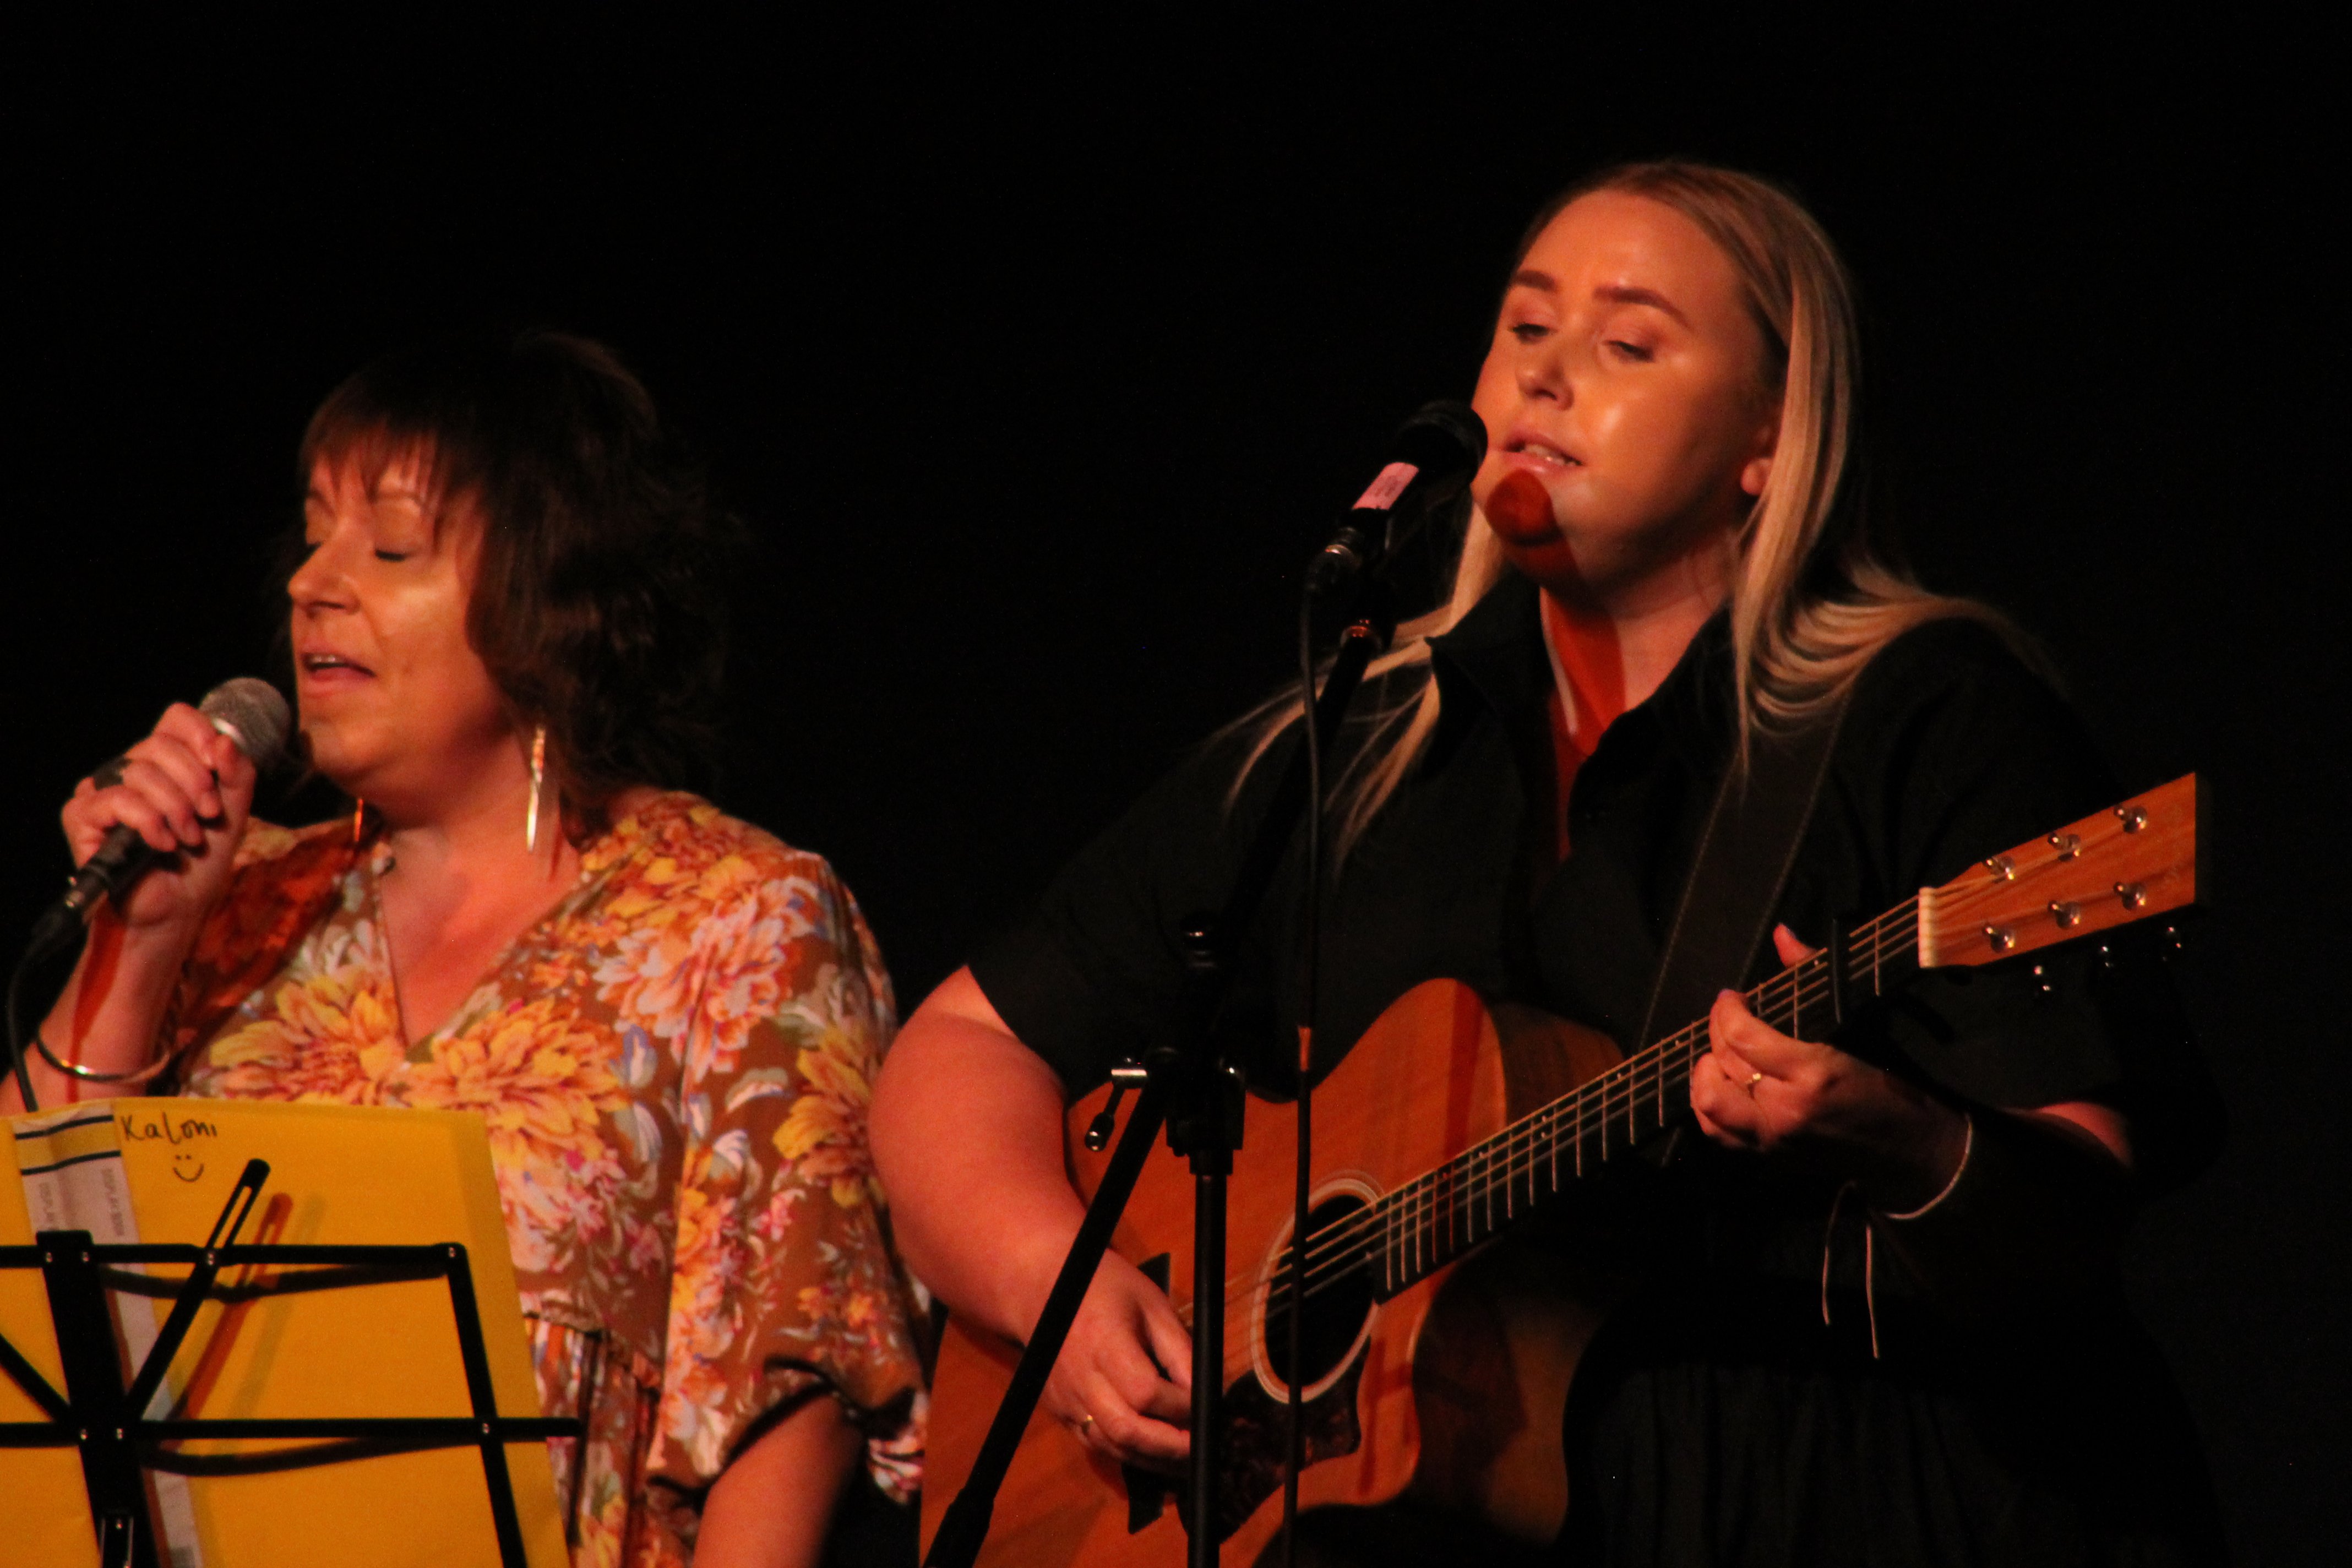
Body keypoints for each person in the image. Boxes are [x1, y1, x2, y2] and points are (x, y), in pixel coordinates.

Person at [870, 163, 2223, 1565]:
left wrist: (1902, 1133)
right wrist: (1064, 1286)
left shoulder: (1925, 712)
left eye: (1627, 343)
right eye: (1526, 329)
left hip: (1847, 1496)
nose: (1549, 377)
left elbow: (2075, 1211)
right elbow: (957, 1048)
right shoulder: (1359, 747)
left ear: (1770, 437)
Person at [7, 330, 925, 1568]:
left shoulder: (738, 917)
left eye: (388, 546)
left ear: (554, 595)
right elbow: (30, 1288)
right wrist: (140, 945)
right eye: (314, 530)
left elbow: (787, 1389)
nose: (313, 583)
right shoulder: (240, 901)